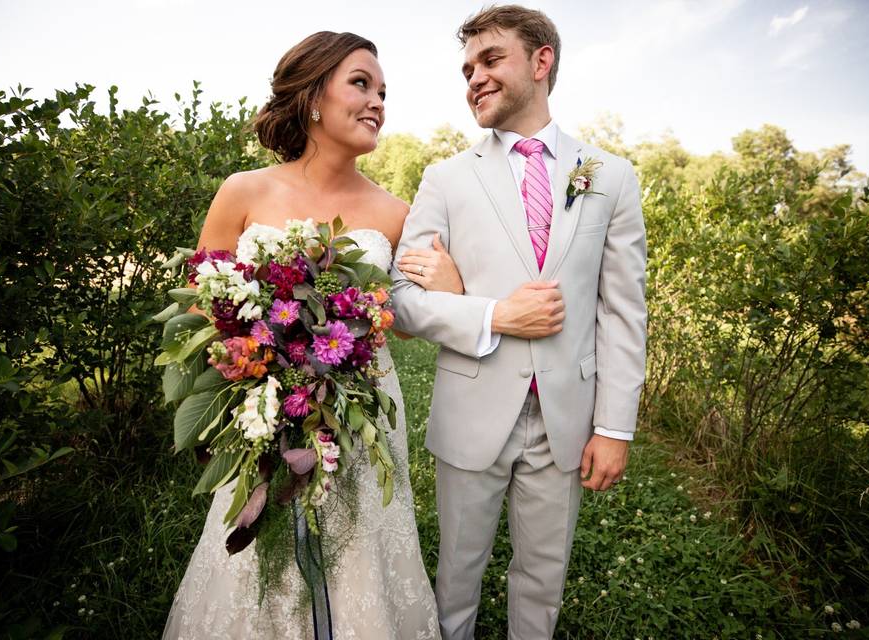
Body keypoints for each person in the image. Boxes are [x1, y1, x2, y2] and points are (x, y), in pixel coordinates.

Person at [163, 31, 457, 639]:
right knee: (261, 541)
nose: (377, 100)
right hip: (264, 410)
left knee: (357, 547)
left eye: (383, 91)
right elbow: (199, 306)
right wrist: (254, 369)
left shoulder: (397, 212)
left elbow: (403, 325)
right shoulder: (244, 190)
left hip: (361, 408)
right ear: (313, 94)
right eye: (360, 83)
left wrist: (448, 285)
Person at [392, 5, 647, 639]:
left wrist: (614, 427)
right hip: (471, 406)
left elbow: (622, 311)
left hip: (568, 415)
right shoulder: (445, 179)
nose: (474, 77)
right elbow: (398, 298)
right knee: (457, 573)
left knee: (544, 577)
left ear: (541, 61)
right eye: (467, 68)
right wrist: (494, 315)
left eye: (490, 60)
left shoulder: (609, 176)